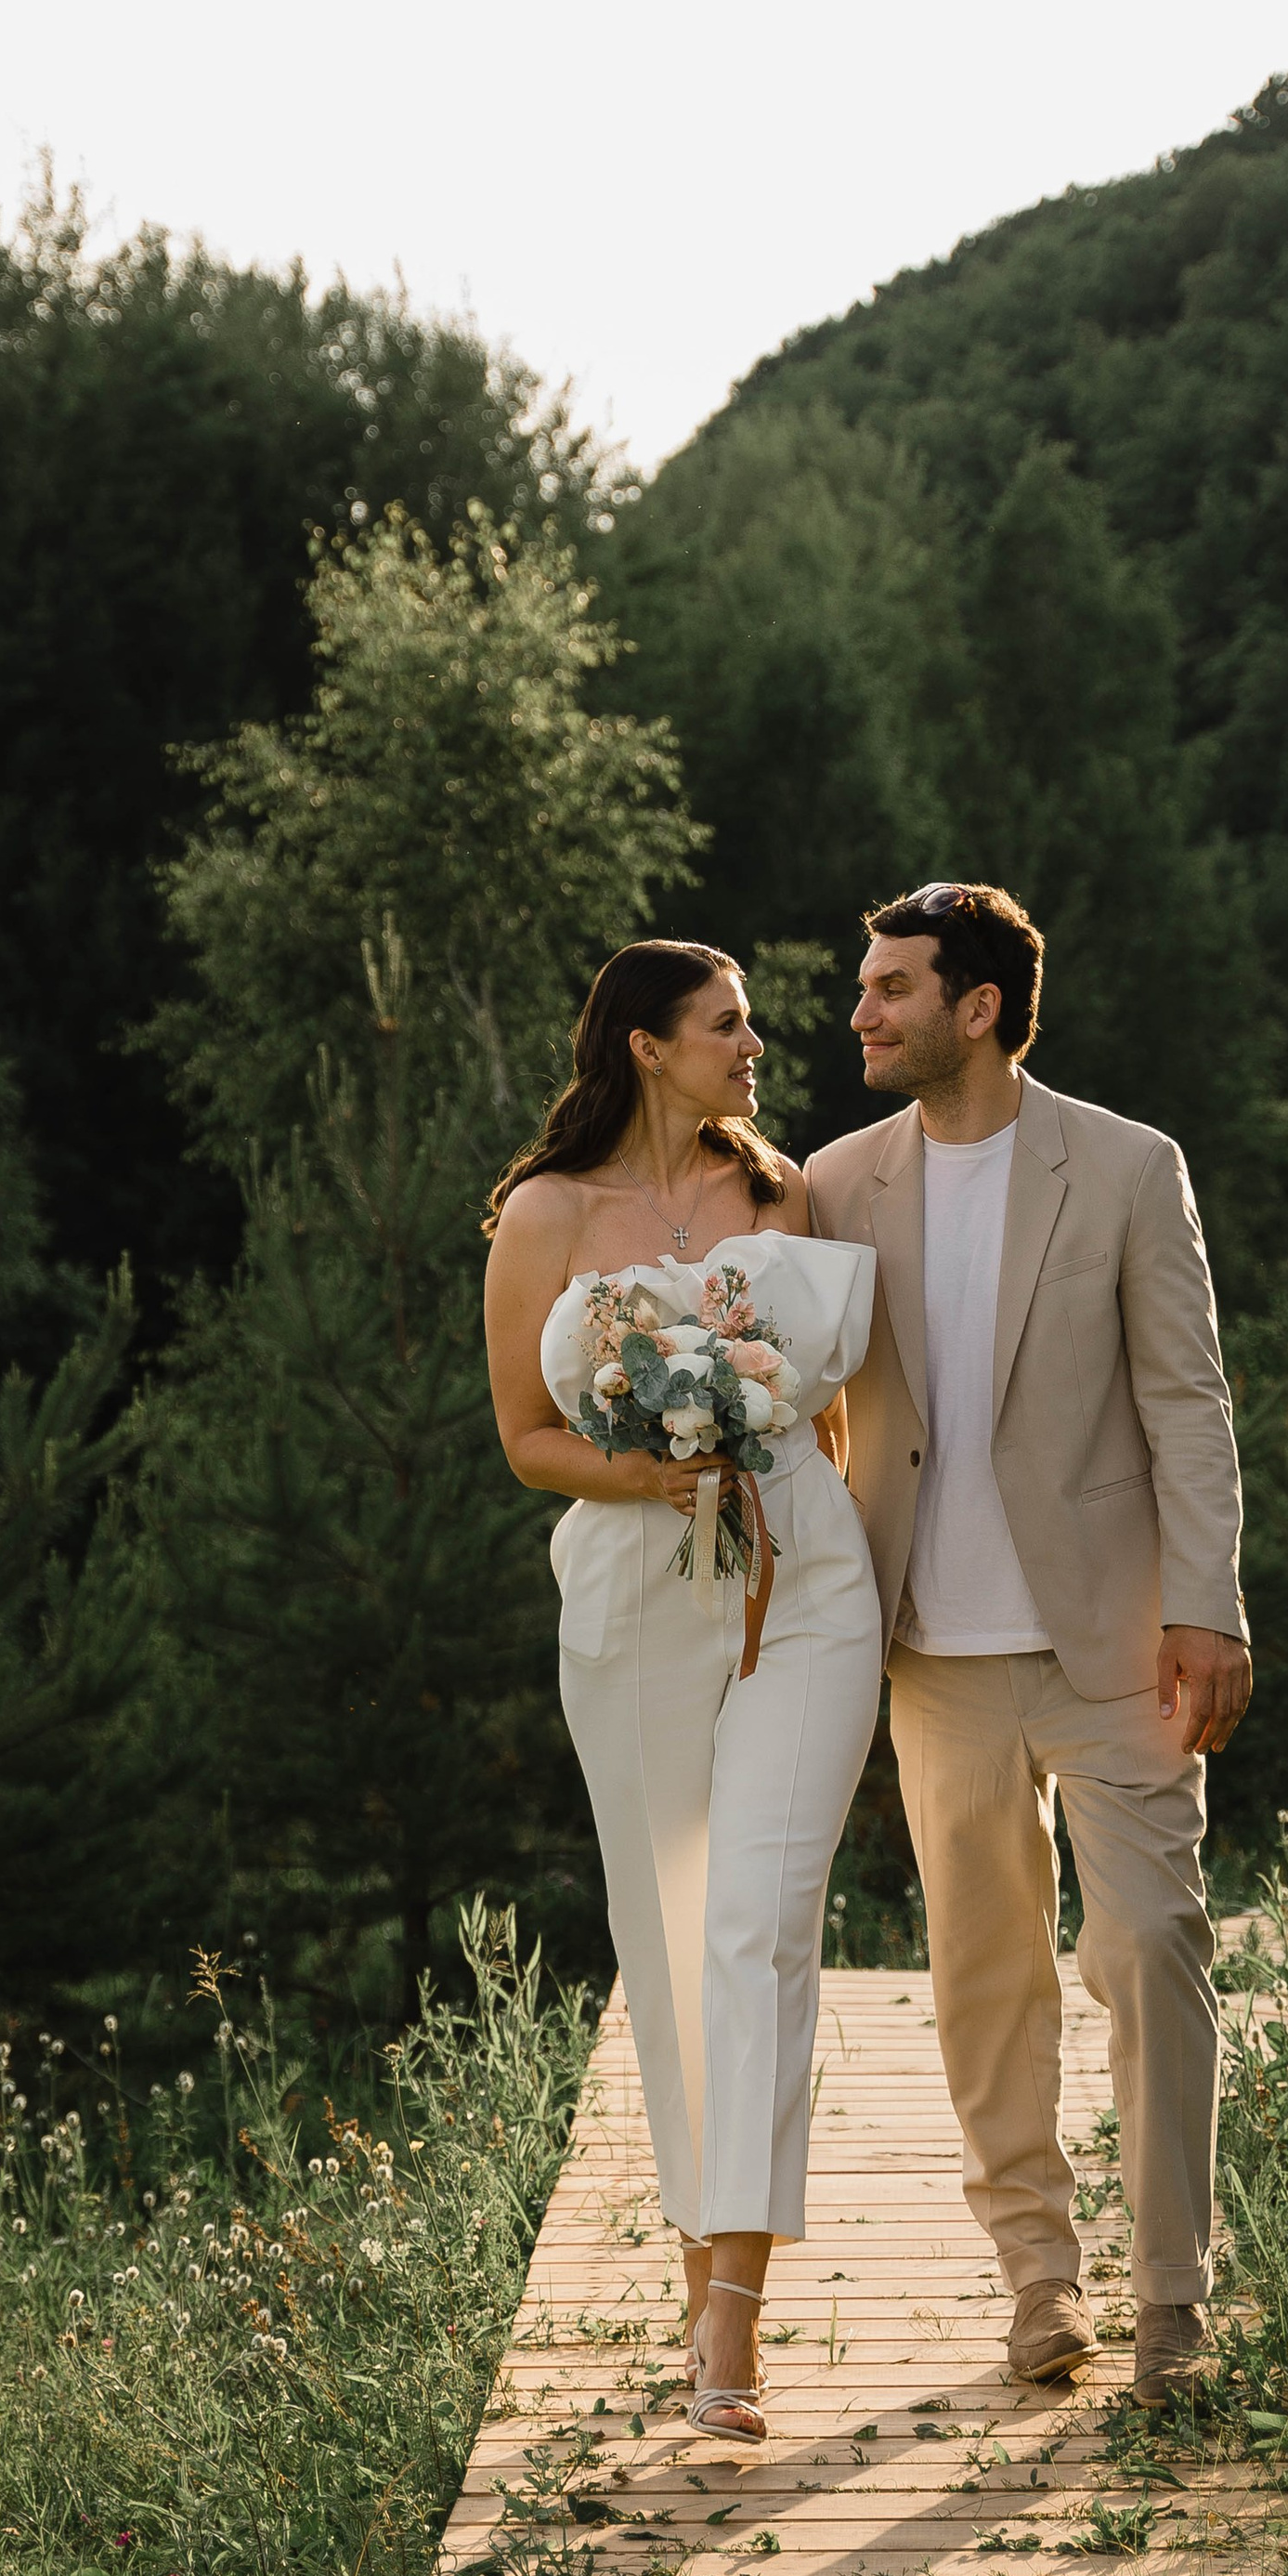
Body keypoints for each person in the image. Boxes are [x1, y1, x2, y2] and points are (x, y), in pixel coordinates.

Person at [804, 883, 1251, 2410]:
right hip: (932, 1648)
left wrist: (1212, 1601)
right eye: (864, 989)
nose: (860, 1013)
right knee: (985, 1973)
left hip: (1115, 1639)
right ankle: (1037, 2282)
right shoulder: (834, 1181)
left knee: (1150, 1946)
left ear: (978, 1005)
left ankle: (1176, 2303)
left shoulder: (1127, 1167)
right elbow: (798, 1396)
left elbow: (1187, 1399)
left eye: (890, 988)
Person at [484, 941, 881, 2439]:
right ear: (646, 1047)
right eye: (728, 1025)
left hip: (804, 1579)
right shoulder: (546, 1213)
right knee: (668, 1932)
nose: (756, 1044)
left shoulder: (780, 1192)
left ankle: (733, 2315)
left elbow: (834, 1406)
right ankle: (701, 2235)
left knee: (761, 1920)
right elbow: (526, 1434)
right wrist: (646, 1471)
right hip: (637, 1588)